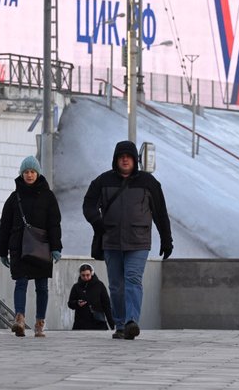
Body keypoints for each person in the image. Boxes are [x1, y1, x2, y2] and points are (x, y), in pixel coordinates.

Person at [82, 140, 172, 340]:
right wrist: (97, 222)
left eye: (128, 156)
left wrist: (167, 240)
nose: (125, 159)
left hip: (138, 241)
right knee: (116, 285)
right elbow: (88, 204)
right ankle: (121, 324)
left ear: (135, 160)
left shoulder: (149, 183)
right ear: (115, 159)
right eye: (121, 156)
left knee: (133, 279)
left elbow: (161, 213)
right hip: (111, 240)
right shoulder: (103, 181)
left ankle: (131, 321)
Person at [0, 155, 62, 338]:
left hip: (42, 246)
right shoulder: (14, 197)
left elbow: (54, 223)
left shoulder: (48, 197)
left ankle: (40, 323)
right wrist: (2, 251)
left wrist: (56, 247)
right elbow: (5, 225)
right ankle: (19, 320)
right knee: (21, 282)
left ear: (38, 173)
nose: (30, 175)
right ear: (21, 174)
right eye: (26, 172)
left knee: (42, 286)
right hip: (18, 247)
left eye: (32, 171)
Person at [67, 263, 114, 330]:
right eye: (83, 275)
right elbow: (70, 303)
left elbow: (106, 305)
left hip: (99, 323)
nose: (85, 277)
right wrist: (77, 303)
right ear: (80, 275)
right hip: (81, 324)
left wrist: (112, 325)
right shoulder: (76, 287)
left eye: (87, 275)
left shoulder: (99, 285)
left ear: (92, 273)